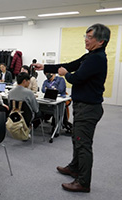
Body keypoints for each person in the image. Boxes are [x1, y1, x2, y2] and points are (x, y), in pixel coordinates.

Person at [33, 23, 111, 193]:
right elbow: (69, 65)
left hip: (89, 109)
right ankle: (74, 168)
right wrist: (45, 67)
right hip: (83, 107)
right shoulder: (90, 56)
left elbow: (76, 78)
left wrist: (65, 74)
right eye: (86, 36)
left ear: (101, 41)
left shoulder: (97, 59)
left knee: (83, 145)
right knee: (77, 139)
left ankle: (83, 182)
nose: (86, 40)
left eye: (90, 37)